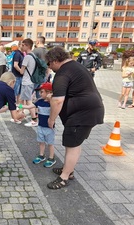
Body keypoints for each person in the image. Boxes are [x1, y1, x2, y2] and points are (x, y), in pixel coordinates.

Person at [45, 46, 104, 189]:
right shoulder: (76, 66)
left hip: (82, 115)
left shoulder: (62, 73)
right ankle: (68, 168)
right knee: (73, 143)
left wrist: (51, 119)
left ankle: (64, 177)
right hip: (89, 111)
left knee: (72, 146)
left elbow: (58, 100)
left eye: (49, 64)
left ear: (54, 60)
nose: (49, 67)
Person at [22, 82, 56, 167]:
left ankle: (51, 158)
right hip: (40, 126)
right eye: (40, 92)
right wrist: (19, 106)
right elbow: (30, 106)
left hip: (49, 127)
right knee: (41, 142)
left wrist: (51, 99)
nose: (40, 94)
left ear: (49, 92)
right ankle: (41, 155)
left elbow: (55, 109)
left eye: (42, 92)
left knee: (50, 143)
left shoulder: (53, 102)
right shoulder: (39, 101)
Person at [19, 38, 38, 127]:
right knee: (26, 100)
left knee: (29, 102)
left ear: (27, 46)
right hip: (31, 81)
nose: (21, 47)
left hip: (27, 82)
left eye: (23, 45)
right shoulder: (33, 55)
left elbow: (21, 71)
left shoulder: (27, 57)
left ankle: (34, 119)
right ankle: (22, 115)